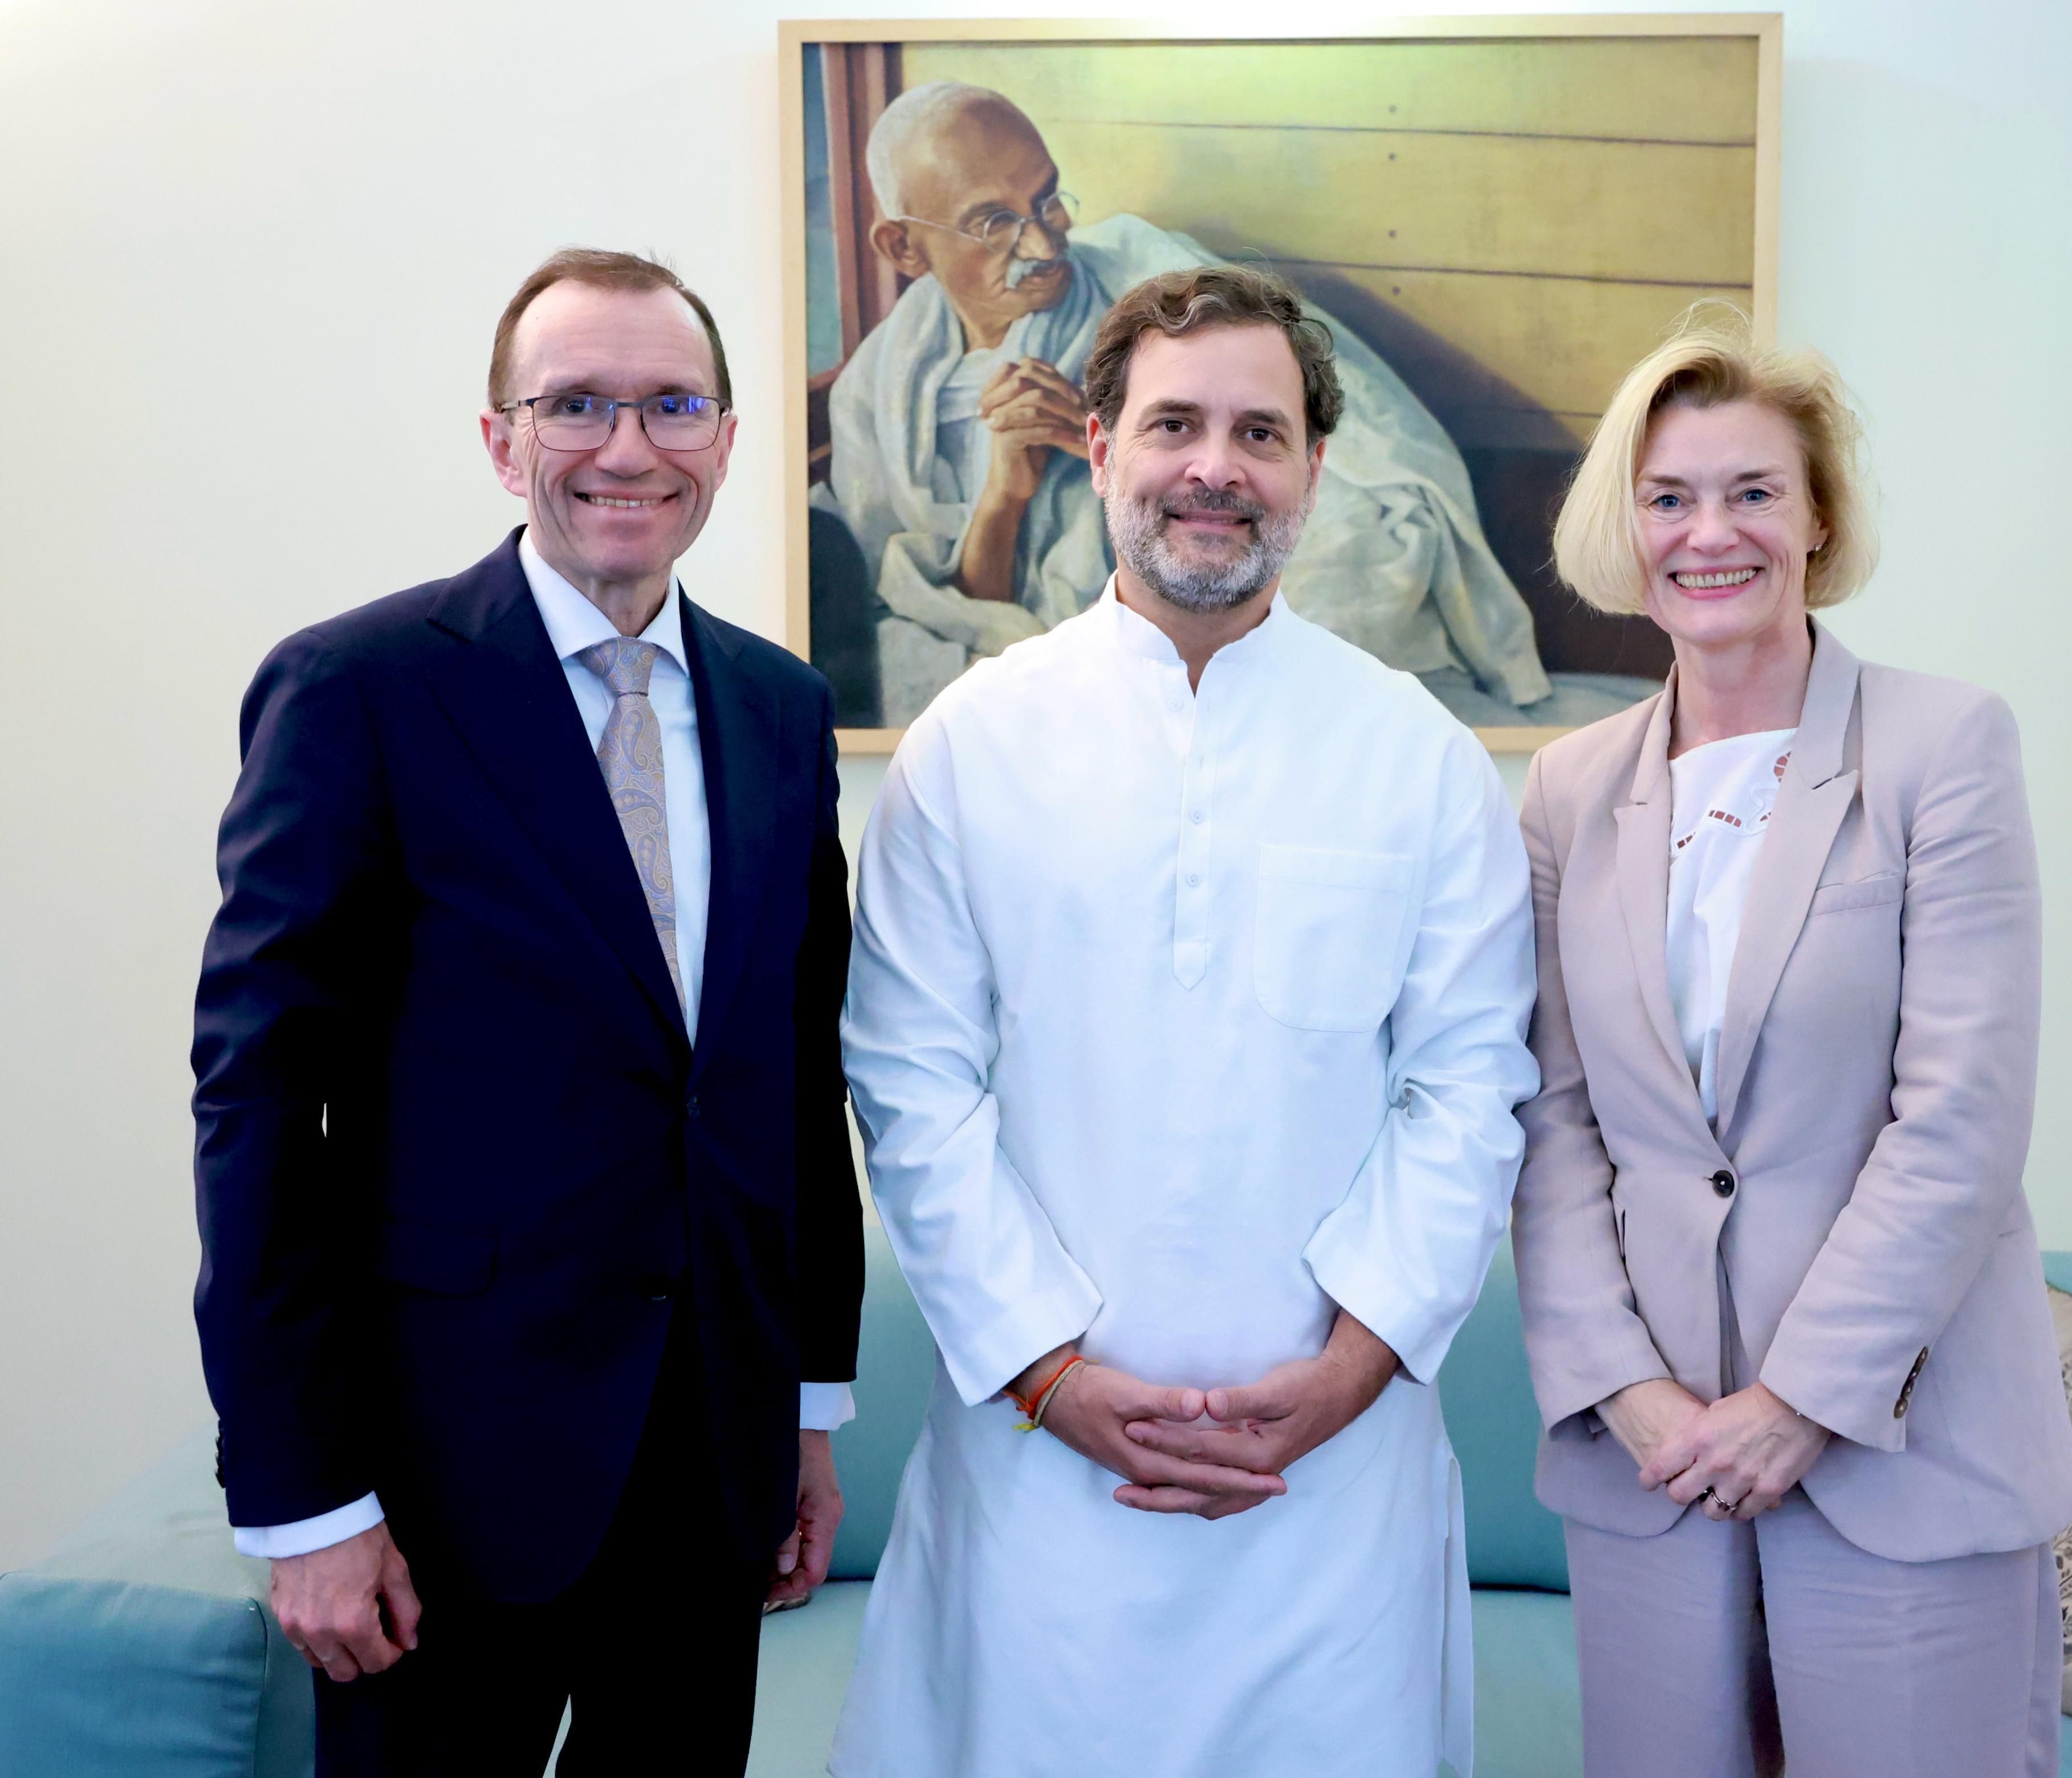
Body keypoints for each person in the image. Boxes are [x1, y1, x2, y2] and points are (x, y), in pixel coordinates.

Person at [832, 264, 1538, 1778]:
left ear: (1313, 470)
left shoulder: (1418, 757)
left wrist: (1351, 1370)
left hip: (1332, 1490)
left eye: (1260, 433)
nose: (1215, 468)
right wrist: (1050, 1375)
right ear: (1100, 447)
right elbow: (910, 1086)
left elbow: (1471, 1088)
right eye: (1175, 425)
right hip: (1039, 1484)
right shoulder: (971, 747)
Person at [190, 248, 866, 1776]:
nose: (630, 448)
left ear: (729, 437)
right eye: (579, 405)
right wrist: (308, 1503)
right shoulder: (360, 688)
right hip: (439, 1489)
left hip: (711, 1469)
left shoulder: (779, 710)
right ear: (503, 439)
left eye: (673, 404)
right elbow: (259, 1110)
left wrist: (808, 1406)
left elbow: (783, 1081)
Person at [1510, 317, 2072, 1776]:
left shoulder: (1941, 745)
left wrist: (1799, 1402)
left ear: (1819, 518)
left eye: (1753, 492)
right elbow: (1550, 1120)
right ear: (1624, 532)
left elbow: (1960, 1117)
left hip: (1898, 1444)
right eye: (1668, 498)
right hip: (1653, 1469)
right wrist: (1628, 1391)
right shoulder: (1566, 790)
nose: (1711, 533)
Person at [816, 79, 1571, 727]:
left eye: (1048, 202)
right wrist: (1004, 503)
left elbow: (1326, 457)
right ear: (904, 250)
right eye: (996, 224)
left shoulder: (1152, 283)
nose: (1046, 247)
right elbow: (957, 615)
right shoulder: (877, 393)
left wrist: (1112, 451)